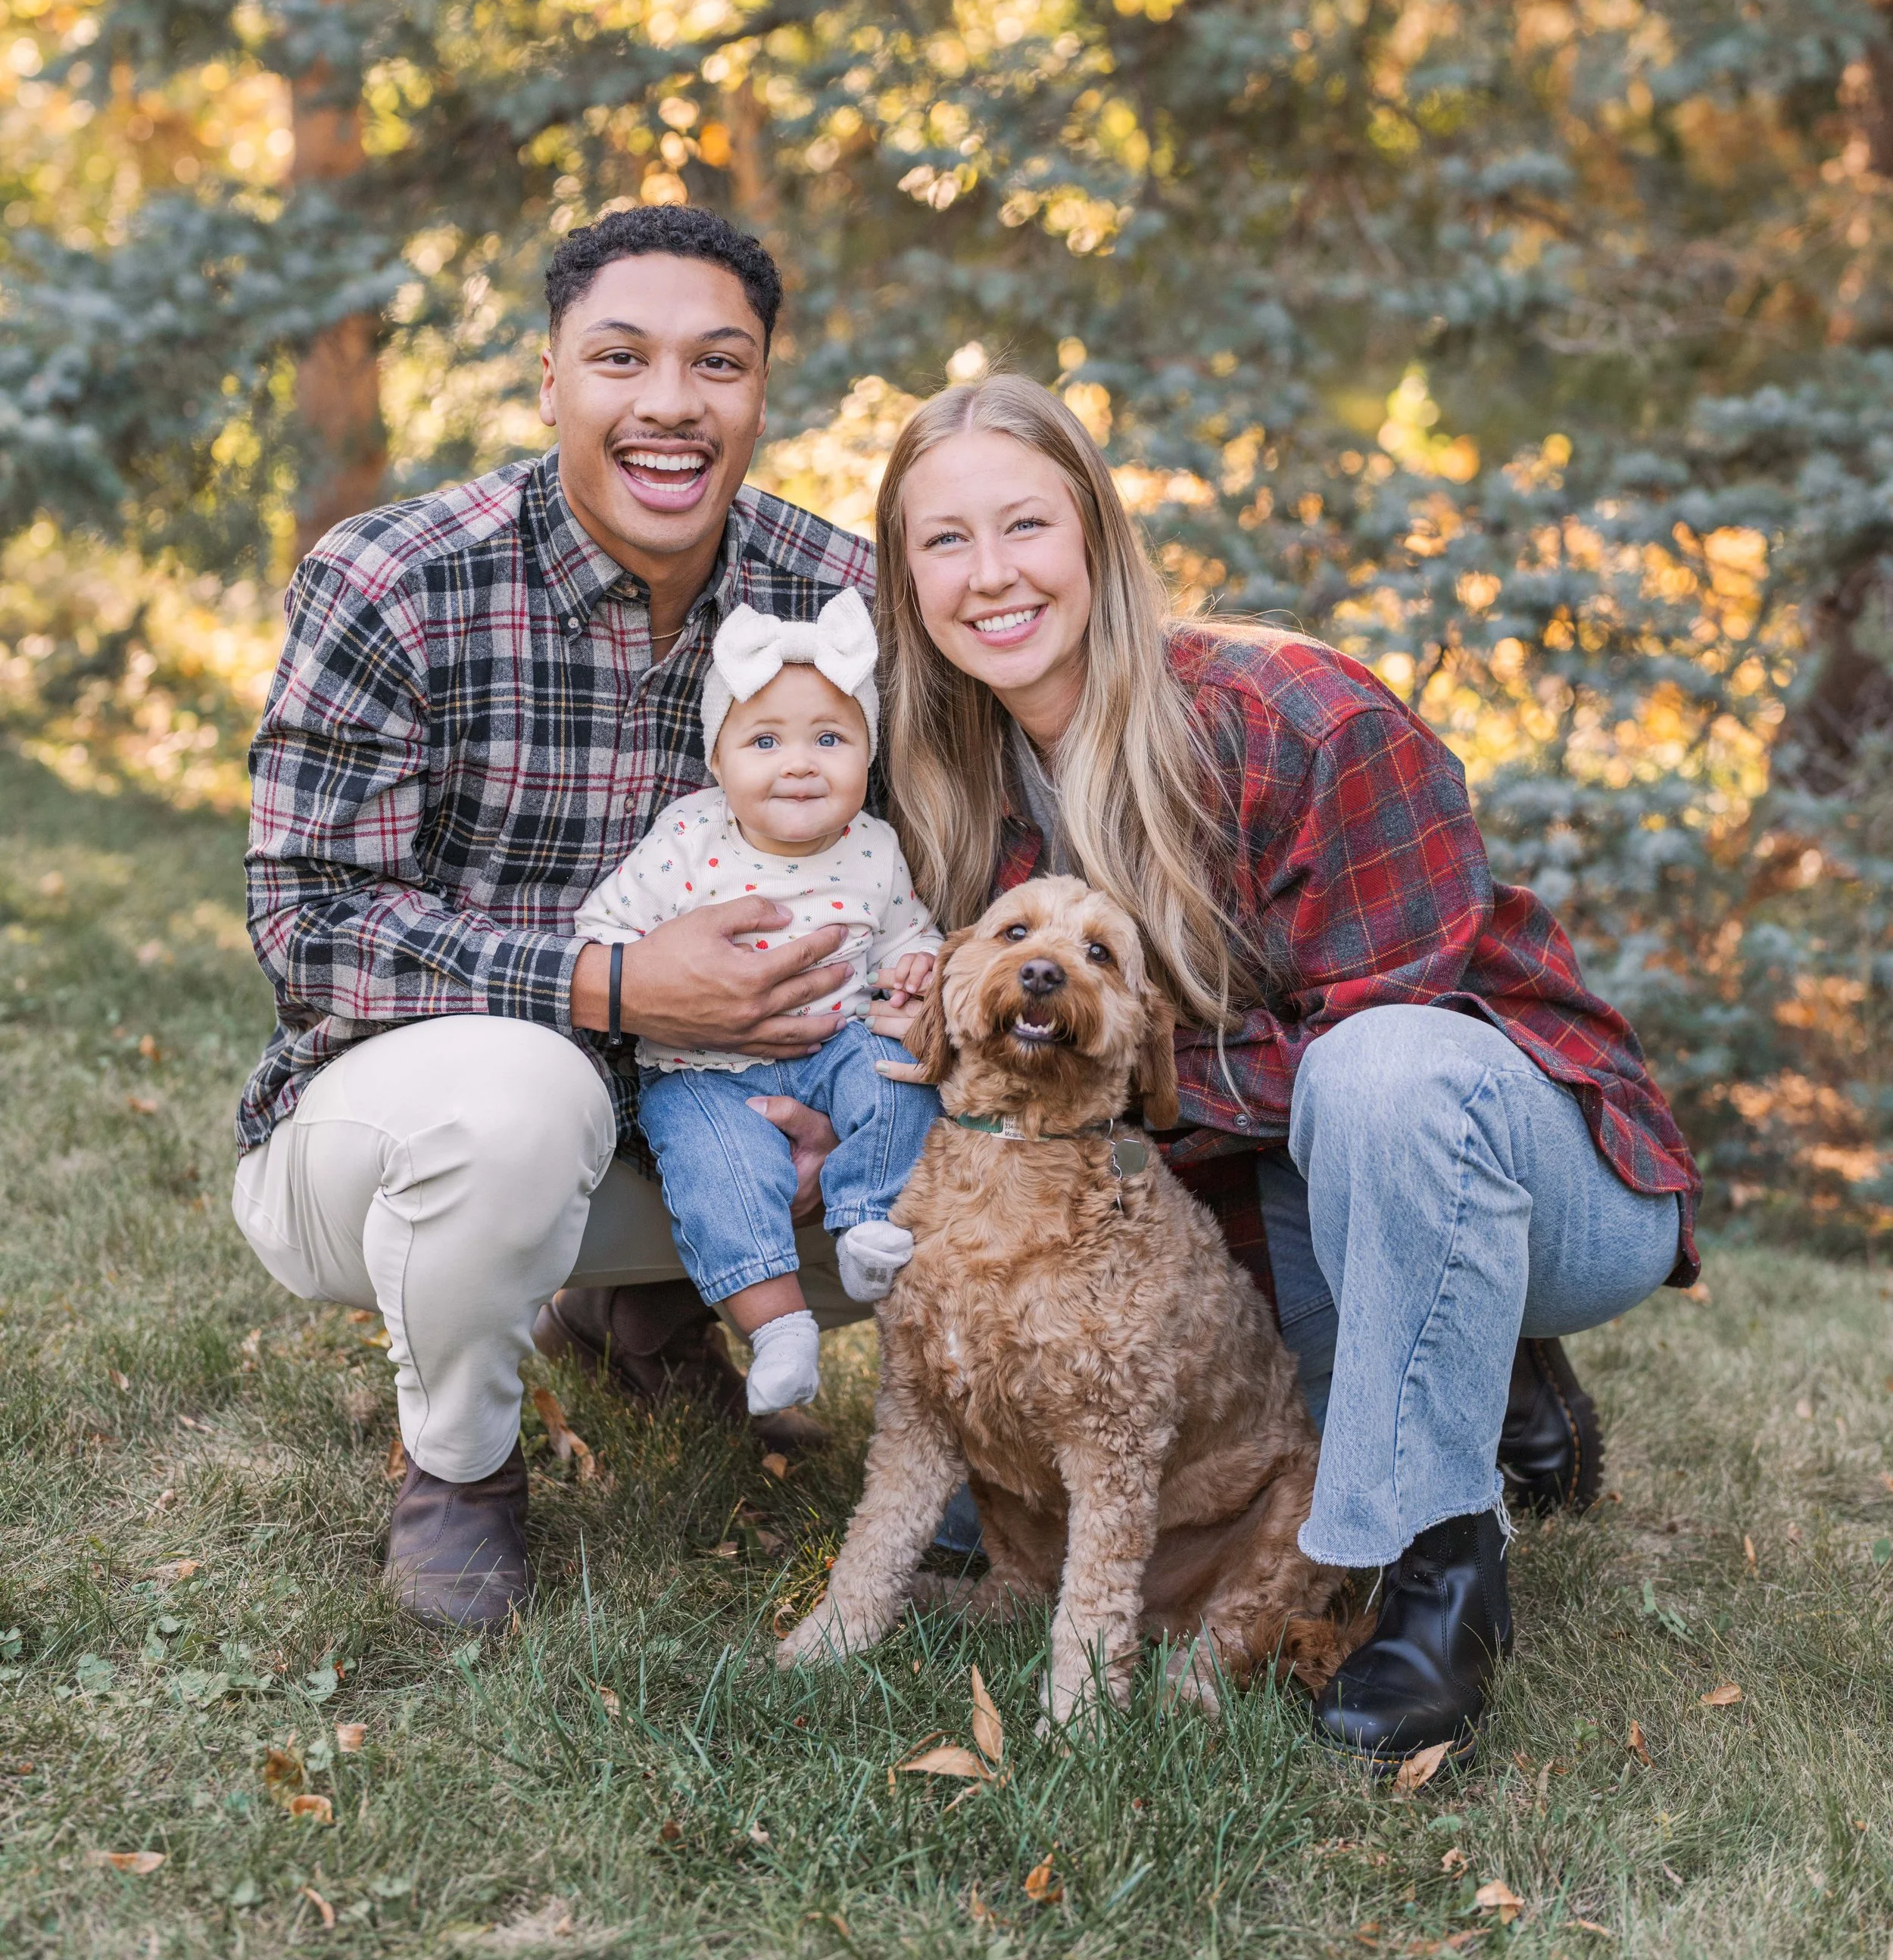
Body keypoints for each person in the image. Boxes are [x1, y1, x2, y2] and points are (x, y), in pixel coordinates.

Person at [862, 372, 1700, 1768]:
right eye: (943, 541)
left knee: (1377, 1081)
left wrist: (1143, 1067)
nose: (989, 574)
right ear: (906, 578)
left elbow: (1399, 1028)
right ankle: (1488, 1379)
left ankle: (1445, 1579)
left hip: (1533, 1167)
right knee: (1261, 1403)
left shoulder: (1295, 717)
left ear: (1099, 542)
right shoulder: (955, 780)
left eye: (1025, 525)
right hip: (1289, 1201)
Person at [234, 206, 912, 1628]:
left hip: (729, 1122)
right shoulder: (397, 578)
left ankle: (646, 1309)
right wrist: (612, 986)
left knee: (970, 1084)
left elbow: (931, 878)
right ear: (551, 383)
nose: (672, 403)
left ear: (761, 391)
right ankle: (462, 1468)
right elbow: (312, 927)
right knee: (526, 1088)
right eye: (622, 359)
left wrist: (844, 1077)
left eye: (718, 364)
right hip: (406, 1142)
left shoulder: (842, 601)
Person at [573, 590, 942, 1413]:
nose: (800, 762)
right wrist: (647, 969)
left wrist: (920, 965)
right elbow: (601, 932)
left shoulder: (874, 846)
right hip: (702, 1071)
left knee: (904, 1081)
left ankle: (868, 1220)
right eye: (766, 740)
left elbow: (904, 934)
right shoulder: (687, 839)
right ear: (718, 759)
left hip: (839, 1041)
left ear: (867, 756)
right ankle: (777, 1328)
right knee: (720, 1171)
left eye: (830, 739)